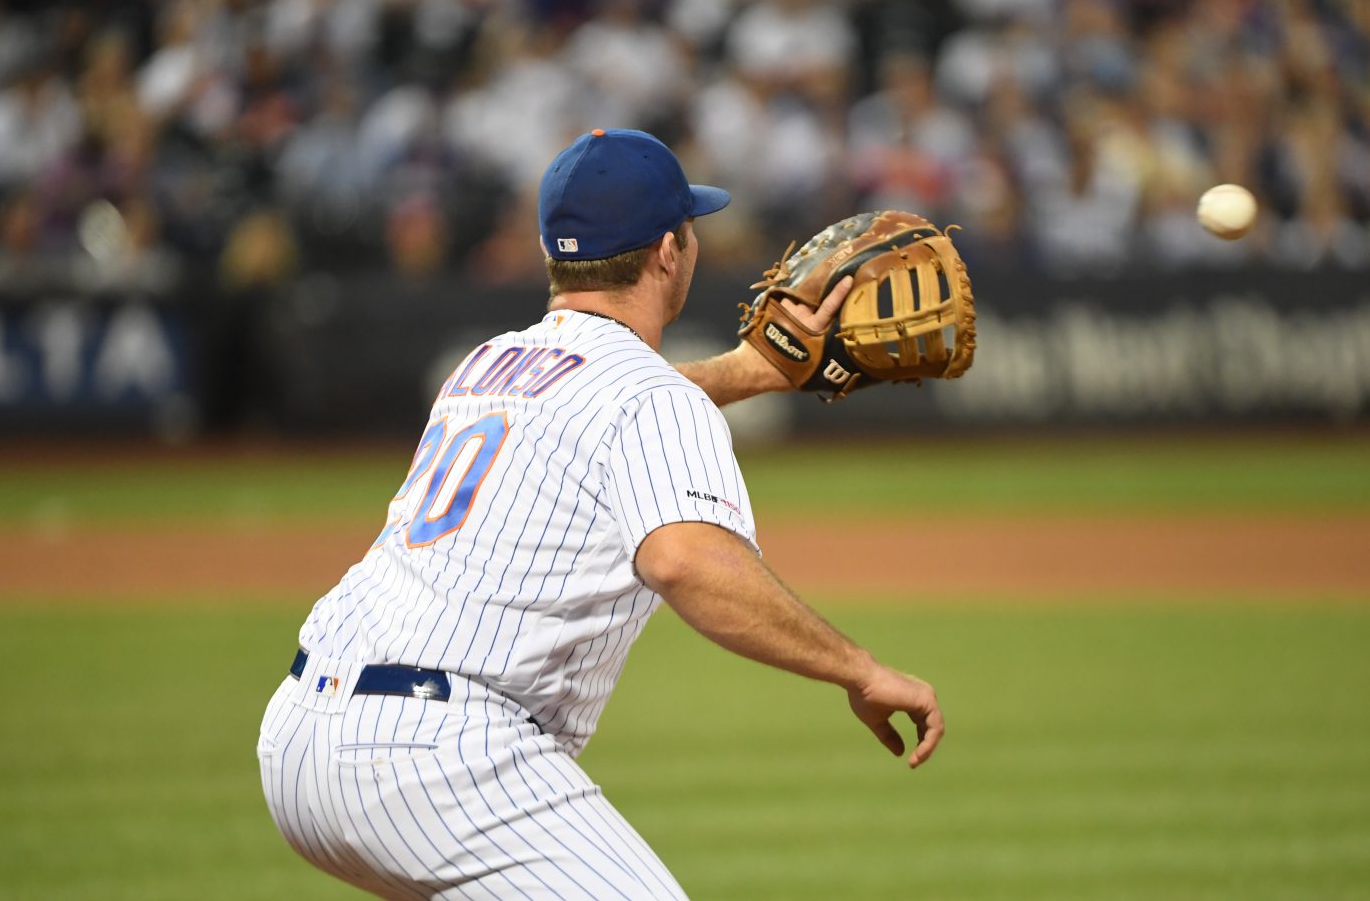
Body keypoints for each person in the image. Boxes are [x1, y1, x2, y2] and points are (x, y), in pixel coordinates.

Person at [257, 127, 945, 900]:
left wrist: (750, 372)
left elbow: (601, 399)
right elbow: (685, 561)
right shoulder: (649, 399)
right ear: (666, 251)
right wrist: (859, 669)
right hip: (437, 756)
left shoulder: (485, 364)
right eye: (690, 227)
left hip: (300, 732)